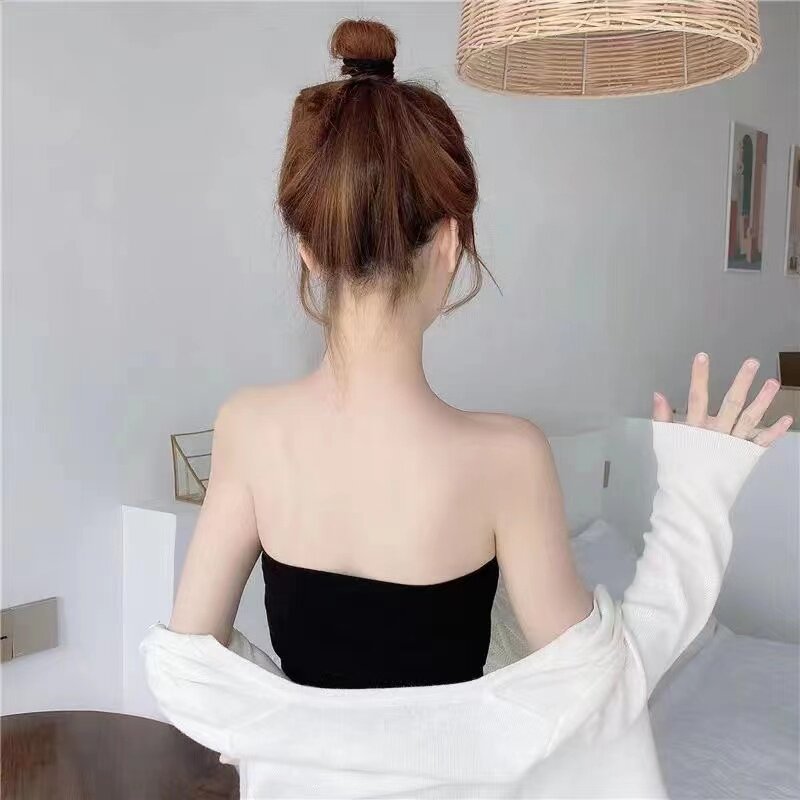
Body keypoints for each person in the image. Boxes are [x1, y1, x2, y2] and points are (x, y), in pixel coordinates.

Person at [166, 19, 792, 694]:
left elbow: (191, 663)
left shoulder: (247, 428)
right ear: (449, 244)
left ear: (309, 252)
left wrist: (303, 723)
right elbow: (596, 686)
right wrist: (694, 493)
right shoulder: (508, 458)